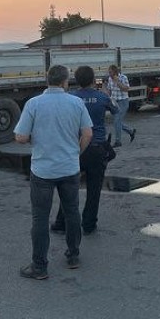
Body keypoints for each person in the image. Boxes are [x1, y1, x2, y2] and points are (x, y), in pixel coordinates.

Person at [15, 64, 93, 280]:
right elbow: (88, 133)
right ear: (65, 82)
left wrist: (36, 139)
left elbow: (20, 137)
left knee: (40, 218)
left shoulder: (34, 104)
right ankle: (73, 256)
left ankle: (39, 266)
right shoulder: (76, 103)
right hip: (69, 168)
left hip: (43, 170)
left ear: (46, 79)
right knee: (72, 212)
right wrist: (76, 153)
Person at [52, 65, 117, 236]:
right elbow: (115, 109)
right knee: (94, 189)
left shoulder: (71, 97)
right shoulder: (102, 97)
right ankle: (89, 224)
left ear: (76, 80)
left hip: (77, 147)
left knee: (69, 187)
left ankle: (61, 222)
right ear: (93, 80)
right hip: (97, 148)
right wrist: (105, 92)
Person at [103, 64, 136, 147]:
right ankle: (131, 131)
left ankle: (118, 141)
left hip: (123, 101)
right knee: (117, 121)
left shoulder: (123, 77)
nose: (109, 74)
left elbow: (126, 89)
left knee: (117, 121)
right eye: (109, 72)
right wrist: (105, 91)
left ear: (115, 72)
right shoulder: (110, 79)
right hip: (115, 102)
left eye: (110, 72)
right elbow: (109, 90)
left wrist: (118, 82)